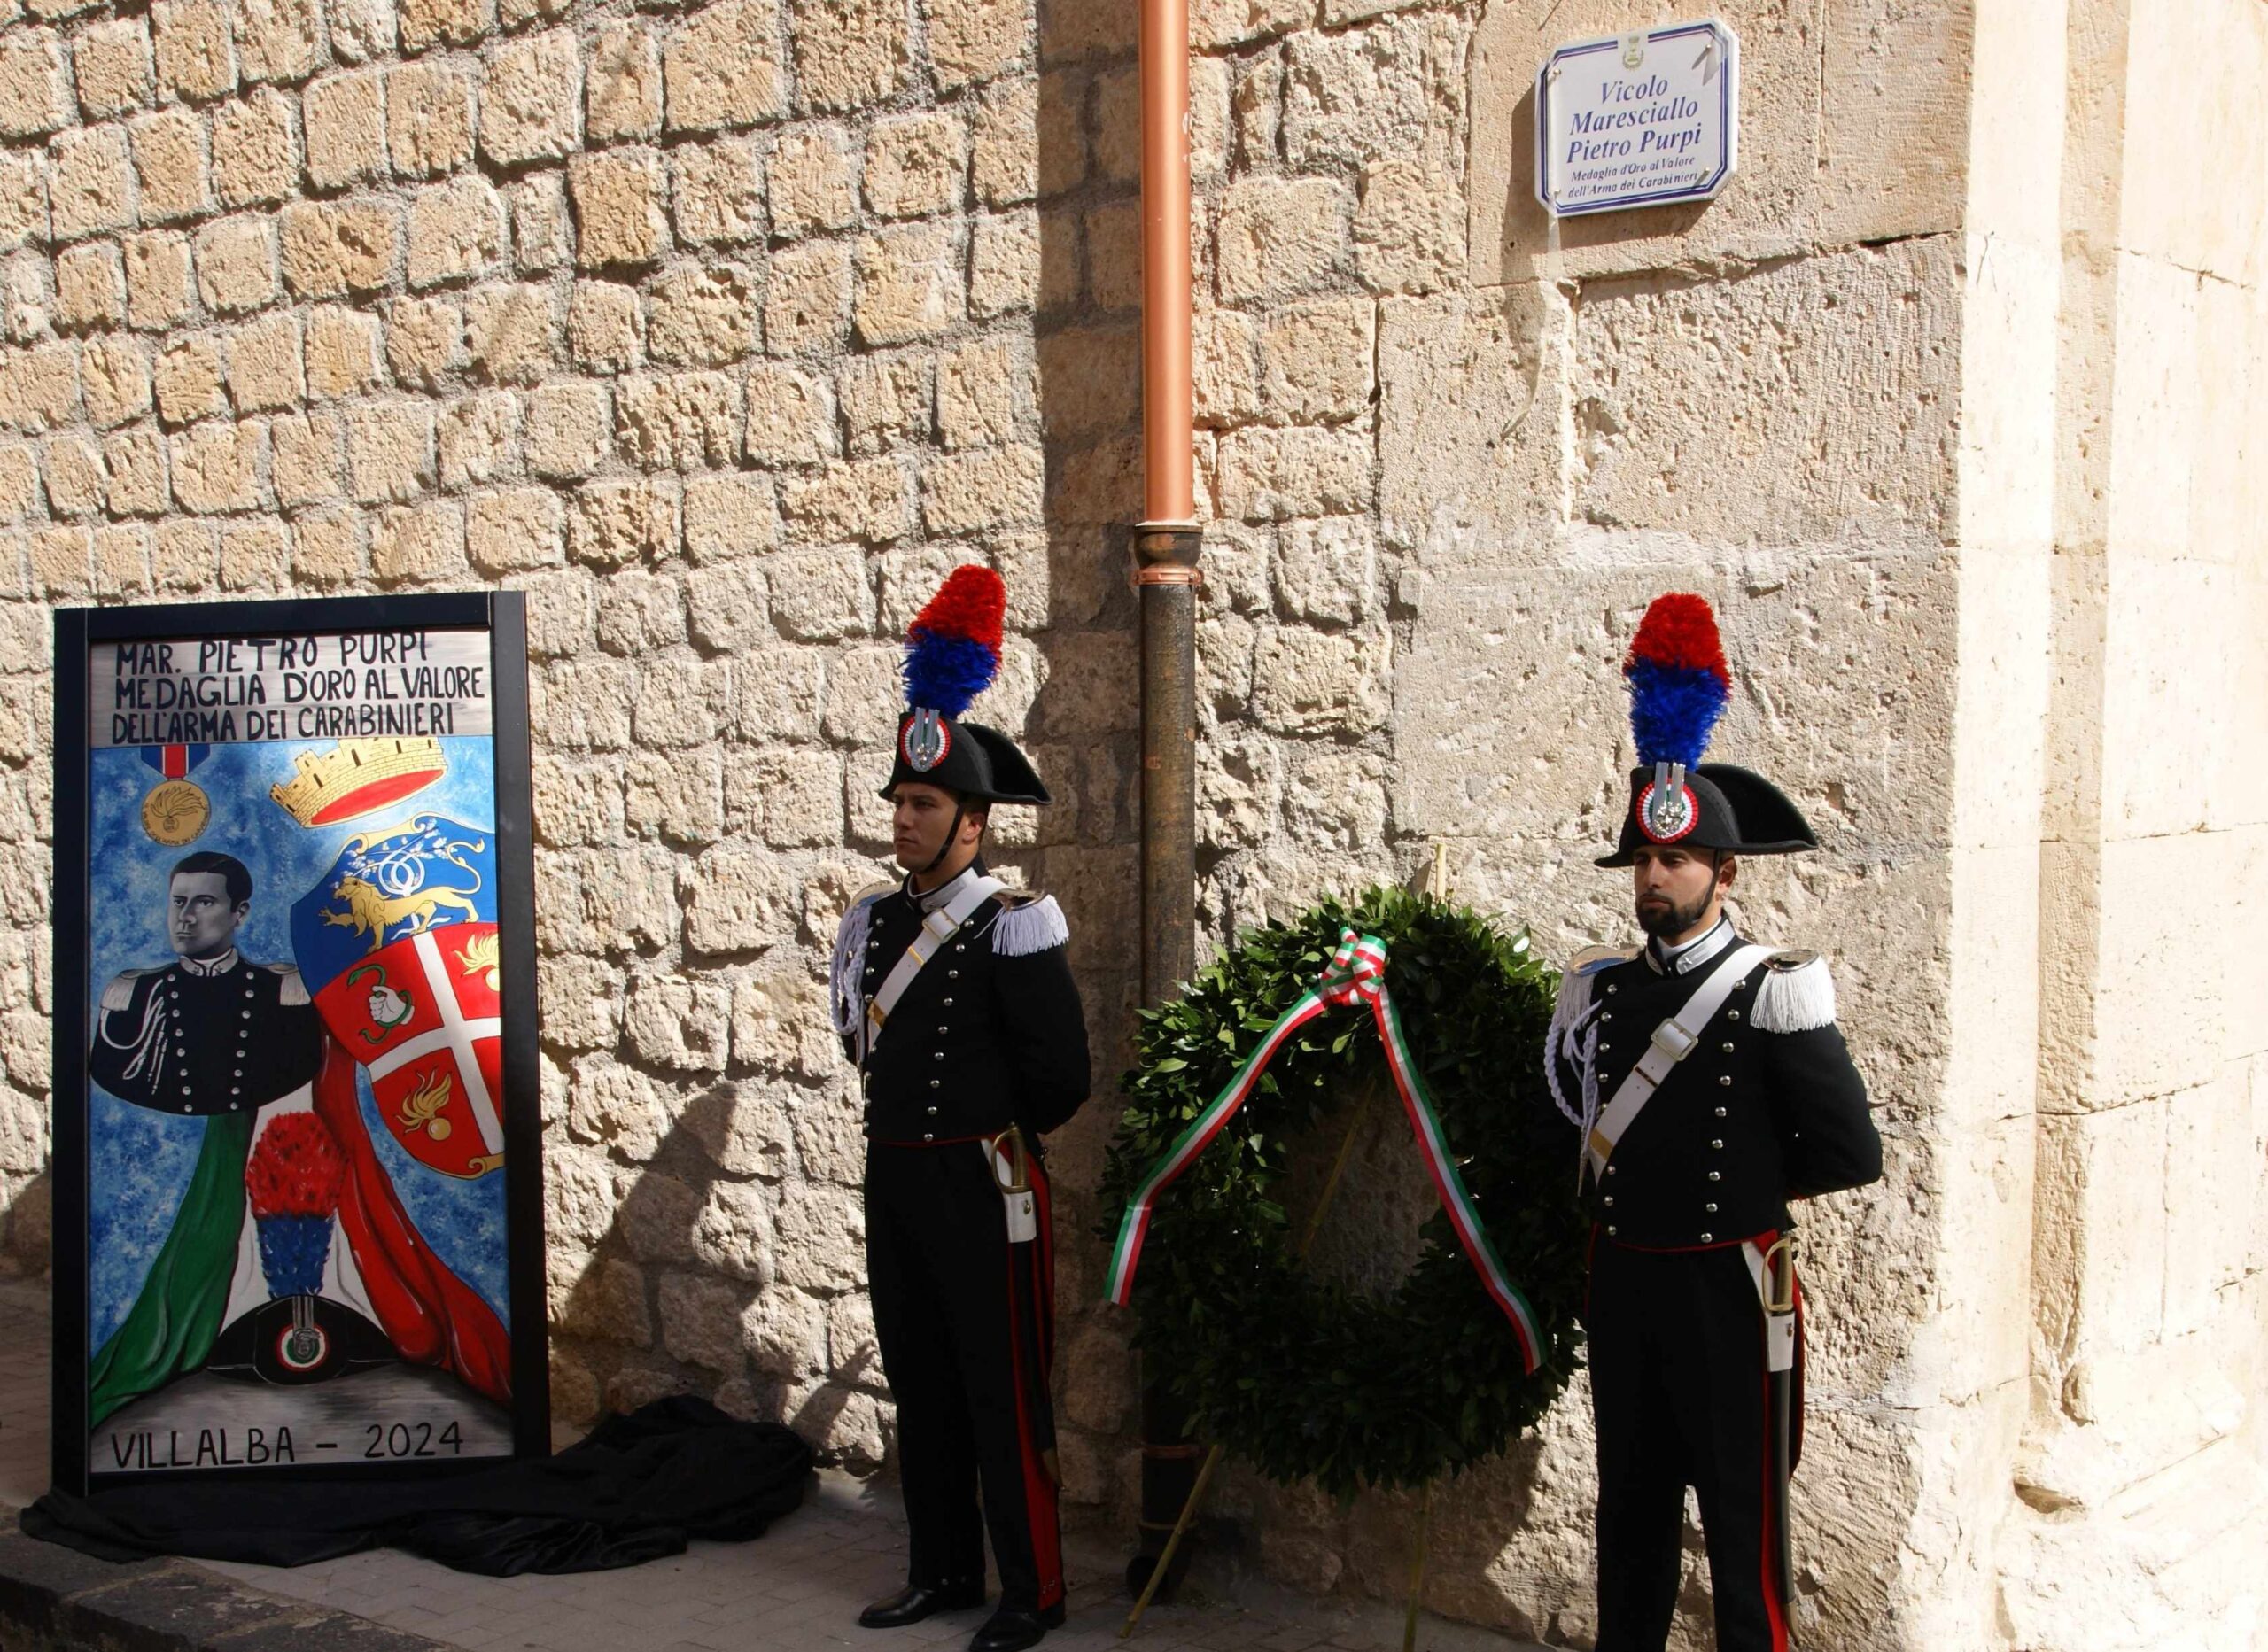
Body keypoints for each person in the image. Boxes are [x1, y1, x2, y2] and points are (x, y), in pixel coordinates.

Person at [1545, 595, 1883, 1652]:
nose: (1655, 877)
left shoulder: (1773, 990)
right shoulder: (1594, 996)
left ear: (1724, 874)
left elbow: (1845, 1150)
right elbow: (1565, 1130)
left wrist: (1733, 1178)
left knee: (1745, 1528)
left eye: (1677, 863)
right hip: (1629, 1285)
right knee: (1629, 1518)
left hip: (1731, 1289)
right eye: (1644, 861)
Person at [829, 566, 1091, 1652]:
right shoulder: (872, 925)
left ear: (973, 822)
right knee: (921, 1381)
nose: (902, 819)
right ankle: (938, 1566)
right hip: (898, 1177)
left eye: (923, 804)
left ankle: (1033, 1591)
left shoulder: (1012, 927)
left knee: (1002, 1393)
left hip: (985, 1185)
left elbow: (1062, 1080)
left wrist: (989, 1133)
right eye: (897, 800)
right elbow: (858, 1045)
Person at [88, 851, 327, 1422]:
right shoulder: (135, 995)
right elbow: (116, 1075)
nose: (186, 917)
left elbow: (299, 1070)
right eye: (178, 902)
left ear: (239, 913)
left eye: (204, 902)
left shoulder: (281, 992)